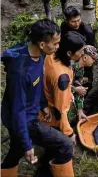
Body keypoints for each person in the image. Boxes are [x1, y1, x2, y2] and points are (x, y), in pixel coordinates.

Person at [1, 19, 75, 177]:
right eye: (55, 44)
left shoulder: (39, 55)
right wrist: (28, 145)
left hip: (28, 112)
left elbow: (37, 82)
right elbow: (18, 111)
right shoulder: (20, 72)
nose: (57, 47)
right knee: (65, 145)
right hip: (23, 119)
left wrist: (42, 104)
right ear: (42, 44)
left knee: (16, 150)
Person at [42, 32, 98, 138]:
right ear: (69, 53)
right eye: (81, 51)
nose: (82, 54)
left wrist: (80, 110)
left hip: (45, 102)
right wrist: (69, 133)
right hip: (51, 113)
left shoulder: (52, 55)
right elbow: (61, 110)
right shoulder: (63, 77)